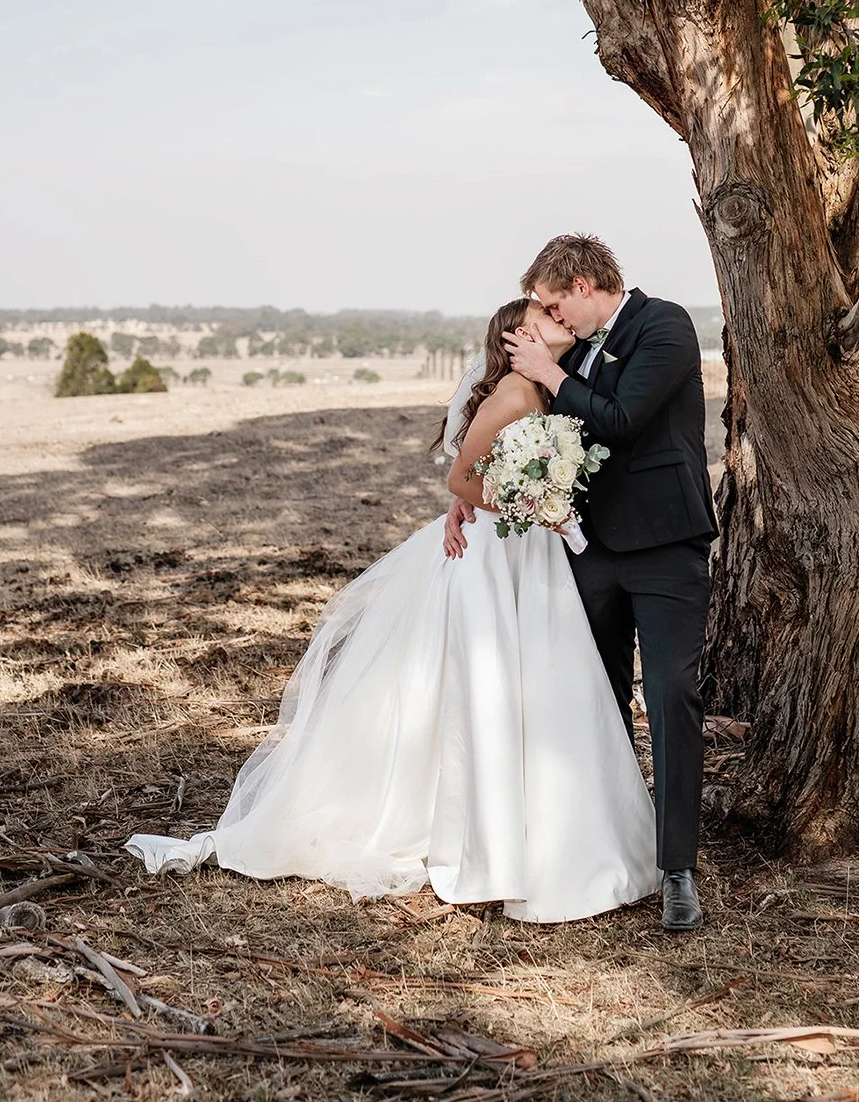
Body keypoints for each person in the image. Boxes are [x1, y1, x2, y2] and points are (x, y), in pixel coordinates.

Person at [125, 297, 657, 923]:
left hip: (528, 554)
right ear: (516, 339)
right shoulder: (513, 395)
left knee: (541, 686)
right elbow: (463, 481)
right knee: (486, 690)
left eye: (559, 315)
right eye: (543, 318)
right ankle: (487, 849)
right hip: (492, 555)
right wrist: (534, 501)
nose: (559, 323)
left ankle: (557, 832)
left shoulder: (553, 389)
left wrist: (542, 497)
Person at [445, 236, 715, 931]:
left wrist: (548, 371)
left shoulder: (664, 326)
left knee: (672, 692)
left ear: (586, 283)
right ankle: (611, 844)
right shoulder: (559, 359)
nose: (545, 314)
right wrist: (473, 493)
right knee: (594, 700)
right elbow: (516, 439)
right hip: (583, 552)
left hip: (663, 545)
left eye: (551, 299)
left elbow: (623, 421)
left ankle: (677, 867)